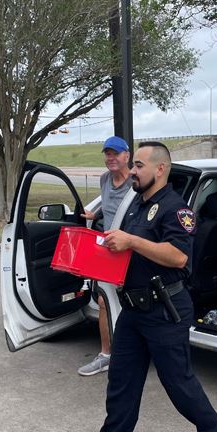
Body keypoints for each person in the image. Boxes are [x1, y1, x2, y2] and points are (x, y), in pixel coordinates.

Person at [69, 141, 217, 432]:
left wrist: (132, 241)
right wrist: (93, 261)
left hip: (165, 311)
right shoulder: (135, 206)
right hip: (134, 310)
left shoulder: (176, 209)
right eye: (134, 166)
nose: (132, 171)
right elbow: (126, 253)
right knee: (121, 382)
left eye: (139, 165)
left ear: (160, 169)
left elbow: (179, 256)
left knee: (179, 383)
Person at [77, 136, 133, 376]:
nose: (111, 158)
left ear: (127, 156)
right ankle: (106, 355)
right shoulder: (104, 179)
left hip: (133, 249)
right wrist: (95, 216)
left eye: (116, 153)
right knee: (104, 302)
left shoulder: (137, 182)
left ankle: (133, 354)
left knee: (131, 304)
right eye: (107, 154)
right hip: (108, 250)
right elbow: (109, 208)